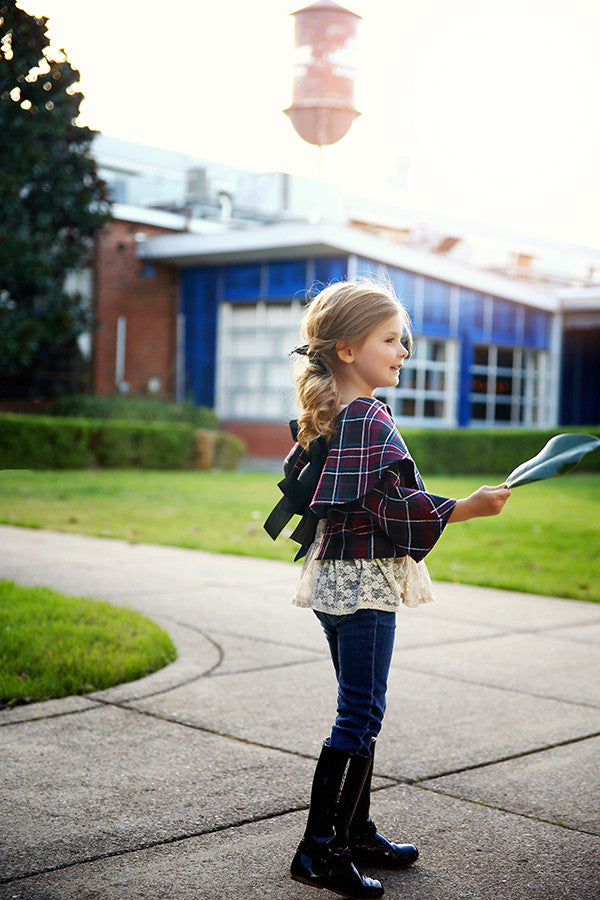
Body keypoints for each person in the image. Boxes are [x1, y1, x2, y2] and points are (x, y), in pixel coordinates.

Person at [265, 280, 511, 900]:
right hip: (365, 582)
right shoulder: (371, 418)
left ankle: (357, 831)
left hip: (329, 580)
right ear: (348, 349)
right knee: (361, 713)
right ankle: (319, 850)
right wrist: (470, 508)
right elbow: (394, 512)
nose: (404, 351)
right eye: (391, 339)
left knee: (359, 709)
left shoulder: (327, 415)